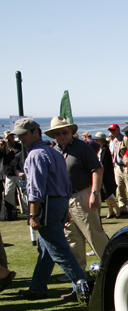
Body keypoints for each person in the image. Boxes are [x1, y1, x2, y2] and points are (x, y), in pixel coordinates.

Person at [10, 118, 89, 301]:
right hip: (58, 202)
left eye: (23, 134)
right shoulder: (52, 152)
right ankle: (38, 288)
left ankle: (83, 287)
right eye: (19, 135)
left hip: (48, 205)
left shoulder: (36, 155)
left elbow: (36, 189)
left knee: (58, 249)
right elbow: (65, 181)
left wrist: (33, 213)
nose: (20, 138)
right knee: (47, 250)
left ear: (35, 132)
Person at [46, 117, 108, 285]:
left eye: (65, 132)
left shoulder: (82, 147)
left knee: (93, 233)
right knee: (72, 237)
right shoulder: (56, 150)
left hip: (83, 194)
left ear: (71, 132)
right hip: (65, 197)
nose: (62, 135)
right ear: (53, 135)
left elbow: (97, 169)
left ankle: (110, 267)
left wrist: (94, 193)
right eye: (57, 133)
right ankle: (78, 274)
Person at [92, 132, 119, 218]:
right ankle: (111, 211)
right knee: (106, 194)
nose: (96, 140)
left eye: (97, 139)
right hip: (104, 174)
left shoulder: (105, 149)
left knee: (108, 193)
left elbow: (105, 164)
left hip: (106, 175)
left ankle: (117, 210)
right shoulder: (102, 148)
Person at [107, 123, 128, 217]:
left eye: (113, 130)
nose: (112, 132)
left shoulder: (124, 139)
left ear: (118, 129)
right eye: (111, 130)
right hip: (117, 166)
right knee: (119, 188)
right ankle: (122, 208)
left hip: (125, 166)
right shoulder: (114, 141)